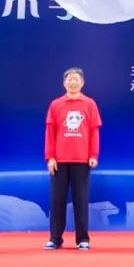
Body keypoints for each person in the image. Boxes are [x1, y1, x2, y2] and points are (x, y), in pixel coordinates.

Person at [44, 67, 101, 250]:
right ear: (64, 83)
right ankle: (55, 238)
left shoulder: (89, 104)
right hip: (59, 161)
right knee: (57, 200)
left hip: (82, 160)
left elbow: (94, 132)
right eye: (70, 79)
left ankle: (83, 239)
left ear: (82, 83)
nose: (73, 82)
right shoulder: (56, 104)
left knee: (81, 200)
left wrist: (93, 155)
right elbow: (50, 133)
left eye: (76, 79)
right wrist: (50, 157)